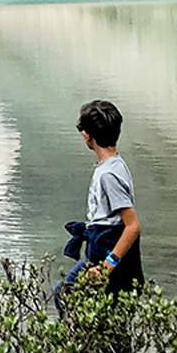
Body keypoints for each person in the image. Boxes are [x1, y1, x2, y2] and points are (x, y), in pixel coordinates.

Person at [61, 98, 144, 294]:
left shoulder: (109, 175)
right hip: (99, 250)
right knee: (66, 292)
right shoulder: (115, 165)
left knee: (67, 293)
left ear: (87, 135)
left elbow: (133, 226)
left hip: (107, 255)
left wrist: (106, 267)